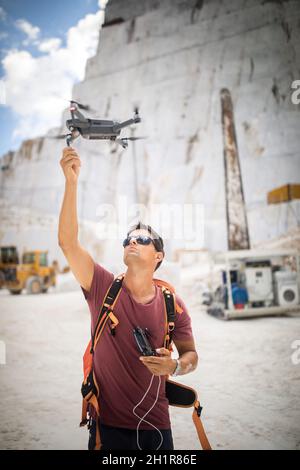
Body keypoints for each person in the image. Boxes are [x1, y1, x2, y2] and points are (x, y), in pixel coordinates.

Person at [58, 147, 198, 450]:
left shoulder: (172, 303)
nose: (133, 241)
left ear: (158, 256)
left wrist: (173, 367)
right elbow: (68, 243)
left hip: (157, 429)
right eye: (128, 239)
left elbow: (191, 356)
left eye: (143, 239)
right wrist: (71, 183)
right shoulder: (102, 287)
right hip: (107, 428)